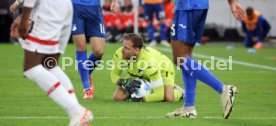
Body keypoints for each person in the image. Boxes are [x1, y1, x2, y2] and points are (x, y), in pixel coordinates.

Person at [12, 0, 94, 125]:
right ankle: (79, 119)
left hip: (48, 8)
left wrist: (24, 17)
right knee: (49, 65)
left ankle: (77, 112)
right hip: (65, 7)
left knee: (30, 68)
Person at [166, 0, 246, 119]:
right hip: (198, 6)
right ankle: (189, 108)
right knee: (186, 56)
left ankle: (223, 89)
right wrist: (232, 2)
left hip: (188, 7)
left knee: (180, 58)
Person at [110, 33, 183, 102]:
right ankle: (156, 85)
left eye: (127, 48)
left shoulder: (149, 64)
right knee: (118, 97)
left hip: (163, 69)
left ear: (137, 50)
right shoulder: (119, 54)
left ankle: (180, 92)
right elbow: (114, 75)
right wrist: (124, 82)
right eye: (123, 46)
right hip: (137, 73)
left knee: (168, 98)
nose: (122, 50)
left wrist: (142, 99)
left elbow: (160, 95)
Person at [71, 0, 120, 99]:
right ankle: (87, 89)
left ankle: (86, 74)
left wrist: (114, 1)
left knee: (99, 51)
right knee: (81, 46)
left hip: (94, 9)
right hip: (75, 6)